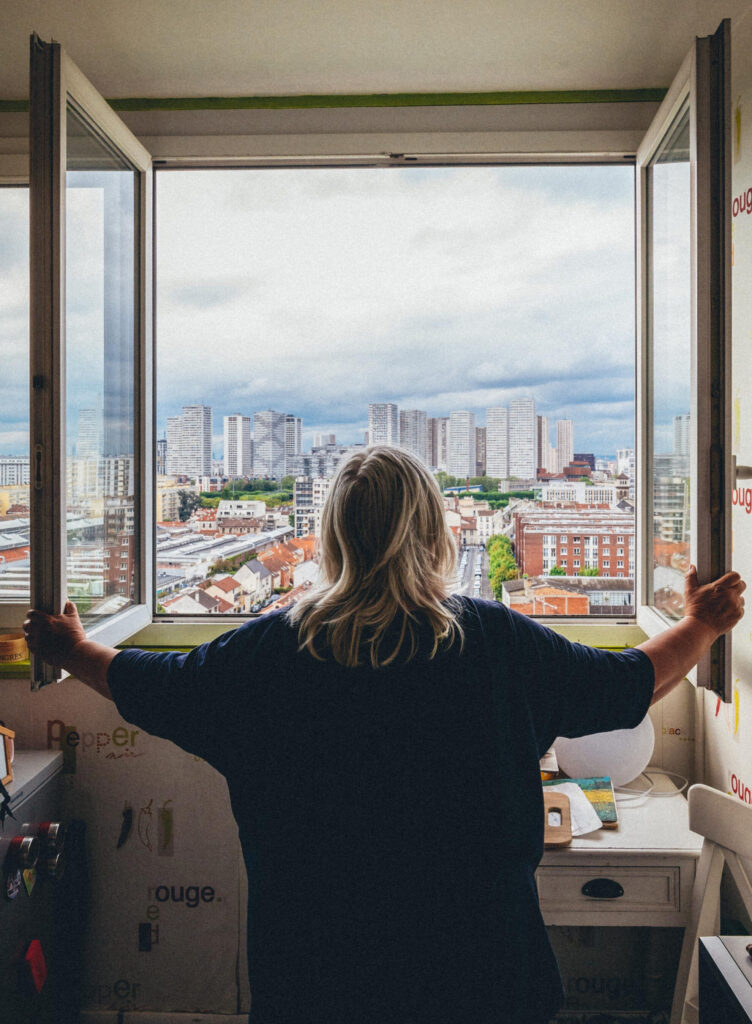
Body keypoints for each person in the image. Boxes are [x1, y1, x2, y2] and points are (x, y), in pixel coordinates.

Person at [24, 445, 745, 1024]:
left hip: (315, 975)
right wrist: (703, 623)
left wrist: (71, 648)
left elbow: (151, 686)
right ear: (434, 533)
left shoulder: (269, 652)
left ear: (334, 536)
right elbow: (627, 686)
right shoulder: (493, 641)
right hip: (481, 971)